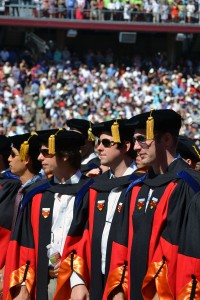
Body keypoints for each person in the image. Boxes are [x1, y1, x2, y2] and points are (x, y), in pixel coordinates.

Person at [3, 128, 94, 300]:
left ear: (65, 155)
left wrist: (76, 275)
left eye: (46, 153)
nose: (39, 158)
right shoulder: (37, 195)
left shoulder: (91, 192)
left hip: (81, 283)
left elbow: (93, 242)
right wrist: (23, 284)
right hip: (43, 281)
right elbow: (26, 243)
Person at [54, 119, 140, 300]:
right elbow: (82, 237)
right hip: (95, 279)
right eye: (99, 142)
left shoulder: (142, 186)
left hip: (129, 284)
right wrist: (78, 280)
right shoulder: (96, 186)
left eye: (106, 143)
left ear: (125, 146)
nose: (99, 147)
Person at [121, 109, 200, 299]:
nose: (136, 147)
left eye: (142, 139)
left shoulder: (189, 185)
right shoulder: (137, 187)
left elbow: (187, 252)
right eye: (135, 140)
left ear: (166, 140)